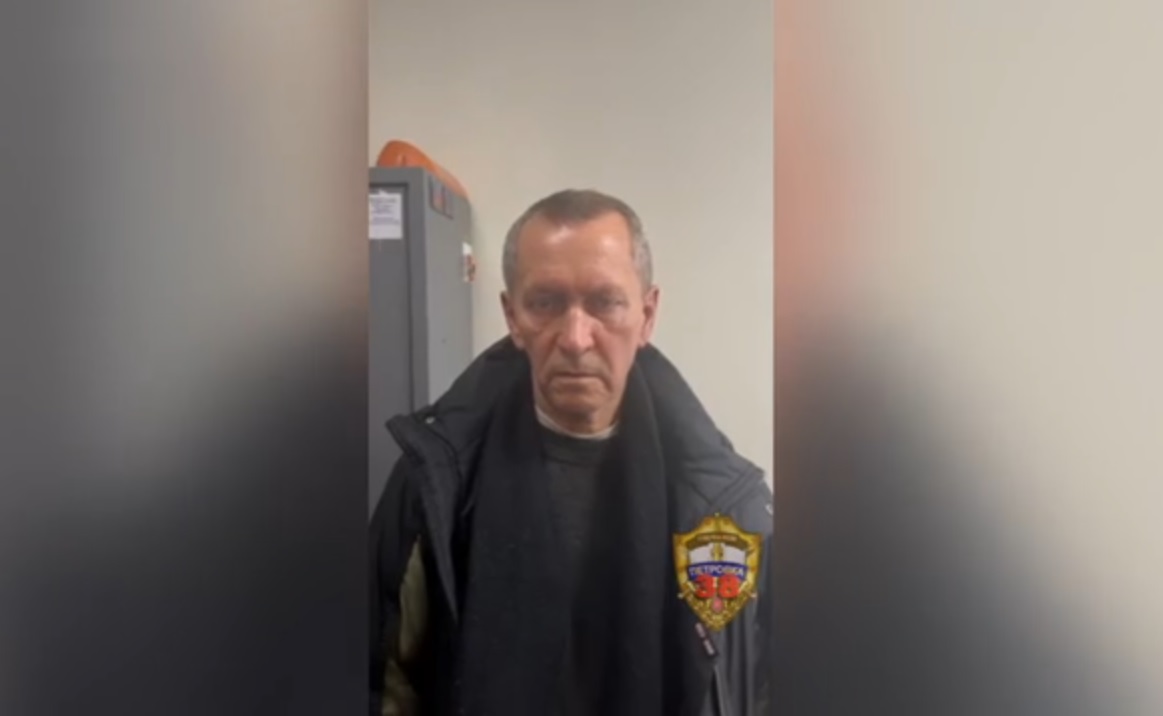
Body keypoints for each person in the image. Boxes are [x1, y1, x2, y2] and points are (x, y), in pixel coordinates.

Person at [369, 189, 773, 716]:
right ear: (512, 316)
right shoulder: (435, 486)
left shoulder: (725, 507)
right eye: (546, 303)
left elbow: (758, 687)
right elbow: (384, 681)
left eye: (605, 303)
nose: (577, 338)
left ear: (647, 314)